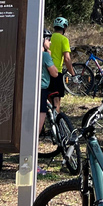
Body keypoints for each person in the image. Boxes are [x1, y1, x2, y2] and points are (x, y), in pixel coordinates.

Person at [39, 29, 58, 175]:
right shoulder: (45, 55)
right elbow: (54, 73)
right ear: (43, 40)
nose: (50, 42)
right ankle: (33, 164)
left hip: (29, 90)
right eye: (48, 39)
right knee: (37, 130)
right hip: (41, 90)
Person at [49, 16, 75, 112]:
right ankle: (56, 122)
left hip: (44, 71)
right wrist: (72, 73)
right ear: (64, 28)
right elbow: (67, 59)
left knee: (48, 97)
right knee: (56, 99)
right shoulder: (64, 39)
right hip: (56, 72)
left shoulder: (48, 37)